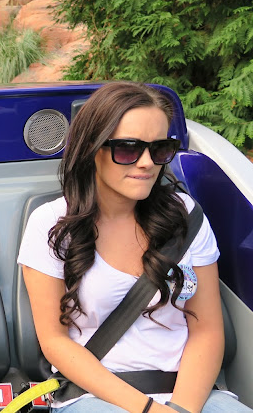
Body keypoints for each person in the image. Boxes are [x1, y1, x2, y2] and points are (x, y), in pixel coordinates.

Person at [17, 82, 252, 412]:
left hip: (189, 393)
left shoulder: (185, 216)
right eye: (128, 149)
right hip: (96, 396)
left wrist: (181, 409)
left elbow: (207, 330)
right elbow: (55, 342)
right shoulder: (50, 224)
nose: (147, 163)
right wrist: (148, 410)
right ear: (92, 149)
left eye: (160, 149)